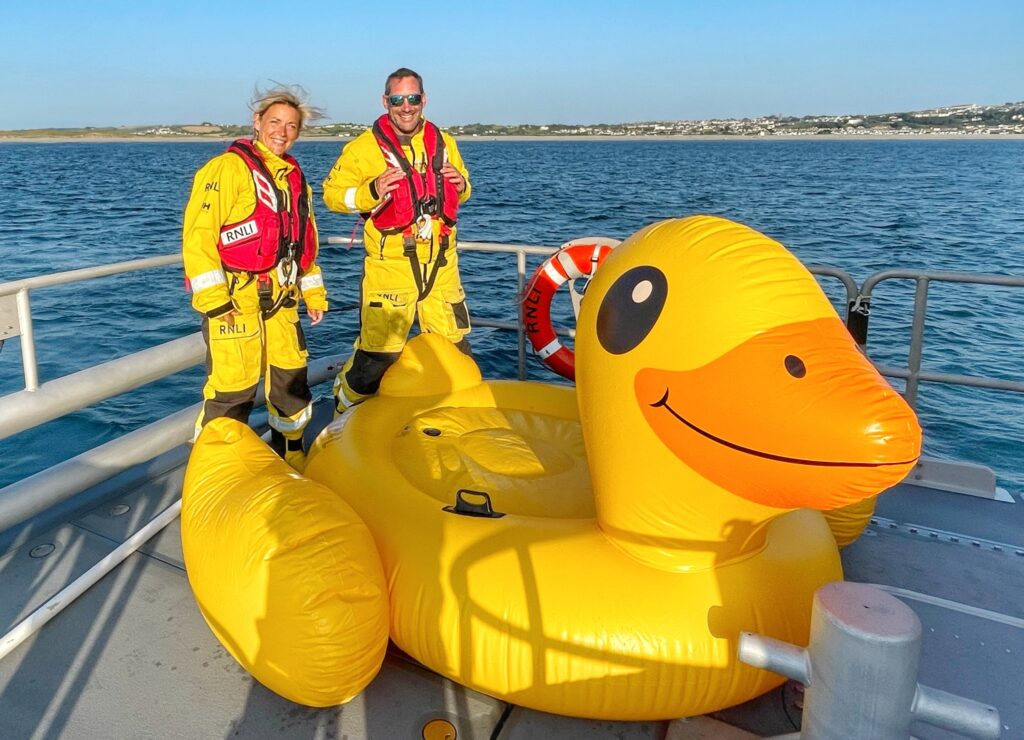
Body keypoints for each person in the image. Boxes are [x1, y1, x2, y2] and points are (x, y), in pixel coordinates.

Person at [182, 85, 328, 470]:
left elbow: (302, 243)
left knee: (290, 384)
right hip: (236, 302)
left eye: (291, 126)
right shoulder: (226, 170)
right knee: (233, 391)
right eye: (275, 122)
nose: (282, 131)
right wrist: (215, 301)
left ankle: (291, 453)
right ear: (257, 123)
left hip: (282, 303)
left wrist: (315, 294)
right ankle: (216, 470)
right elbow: (199, 237)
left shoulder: (295, 179)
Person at [323, 67, 472, 413]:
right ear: (385, 101)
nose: (406, 107)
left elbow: (463, 188)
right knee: (377, 356)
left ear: (424, 99)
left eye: (413, 98)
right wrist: (370, 191)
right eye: (398, 99)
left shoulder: (444, 142)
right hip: (392, 269)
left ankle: (454, 418)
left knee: (455, 350)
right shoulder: (362, 149)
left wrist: (461, 186)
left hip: (442, 267)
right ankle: (342, 411)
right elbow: (331, 195)